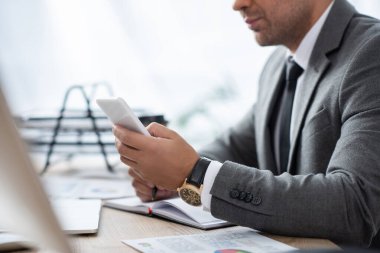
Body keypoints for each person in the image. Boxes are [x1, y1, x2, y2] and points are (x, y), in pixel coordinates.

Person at [113, 0, 380, 248]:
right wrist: (172, 175)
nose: (237, 4)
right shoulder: (279, 64)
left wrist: (195, 174)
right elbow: (237, 146)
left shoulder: (372, 53)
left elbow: (356, 204)